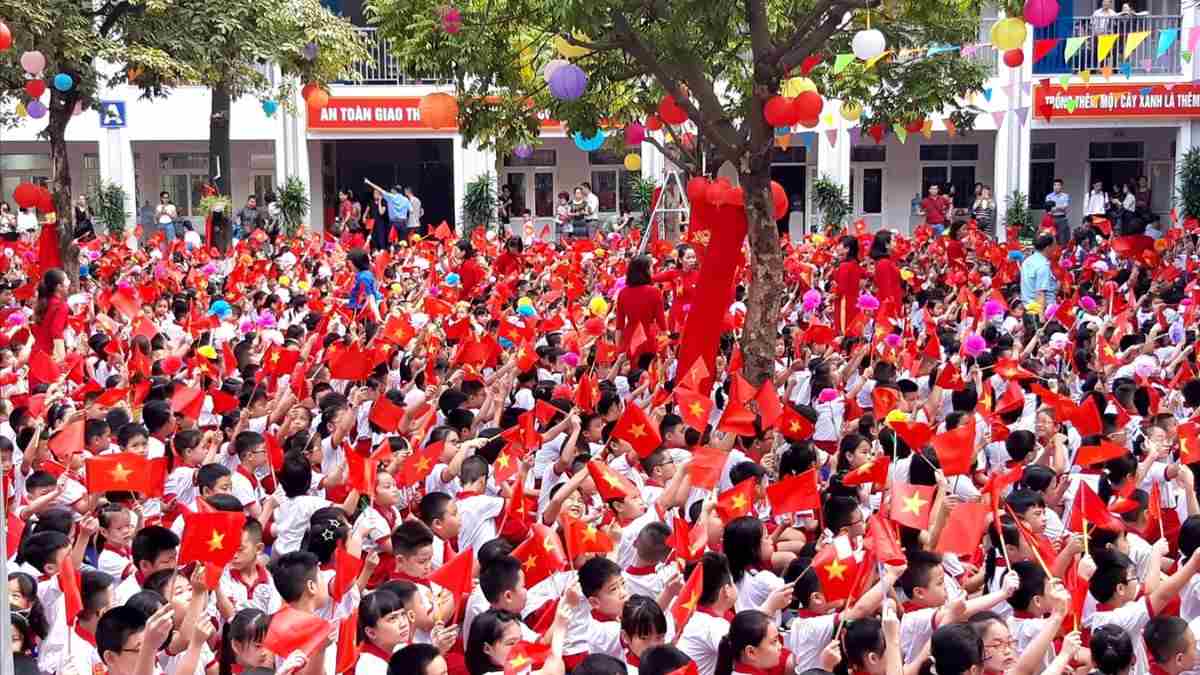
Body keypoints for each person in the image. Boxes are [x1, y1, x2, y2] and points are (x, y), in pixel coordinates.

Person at [615, 255, 667, 363]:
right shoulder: (655, 292)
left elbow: (619, 326)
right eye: (651, 267)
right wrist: (664, 350)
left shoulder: (622, 293)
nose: (653, 270)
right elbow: (662, 324)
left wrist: (618, 350)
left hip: (629, 340)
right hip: (648, 339)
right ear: (645, 271)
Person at [832, 235, 863, 334]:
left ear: (847, 249)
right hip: (855, 302)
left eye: (839, 245)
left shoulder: (844, 266)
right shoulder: (856, 265)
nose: (837, 247)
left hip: (844, 303)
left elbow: (840, 290)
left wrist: (831, 296)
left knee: (843, 331)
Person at [1019, 233, 1058, 310]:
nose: (1055, 249)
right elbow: (1040, 294)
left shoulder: (1027, 261)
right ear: (1047, 248)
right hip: (1040, 310)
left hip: (1028, 308)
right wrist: (1041, 316)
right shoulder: (1043, 265)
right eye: (1054, 246)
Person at [1045, 178, 1071, 246]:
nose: (1056, 187)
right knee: (1051, 237)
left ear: (1061, 186)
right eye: (1055, 185)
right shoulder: (1049, 196)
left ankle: (1062, 251)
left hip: (1062, 219)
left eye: (1058, 185)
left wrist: (1055, 207)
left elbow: (1065, 207)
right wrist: (1059, 207)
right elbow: (1048, 209)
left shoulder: (1065, 196)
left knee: (1063, 238)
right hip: (1052, 218)